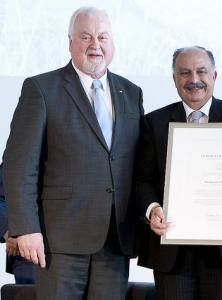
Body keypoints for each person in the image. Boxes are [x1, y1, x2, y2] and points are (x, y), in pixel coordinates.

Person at [3, 6, 144, 299]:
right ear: (70, 42)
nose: (95, 45)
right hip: (58, 242)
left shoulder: (131, 93)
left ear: (112, 43)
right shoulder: (41, 89)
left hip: (114, 241)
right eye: (86, 36)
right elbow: (19, 166)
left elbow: (137, 164)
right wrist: (25, 228)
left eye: (103, 37)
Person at [135, 46, 222, 300]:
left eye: (202, 71)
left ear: (215, 76)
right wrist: (152, 208)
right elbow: (143, 179)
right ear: (174, 79)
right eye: (184, 73)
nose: (194, 80)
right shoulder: (153, 122)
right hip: (172, 251)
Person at [0, 163, 35, 284]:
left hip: (84, 250)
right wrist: (10, 232)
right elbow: (1, 198)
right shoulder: (24, 145)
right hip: (27, 254)